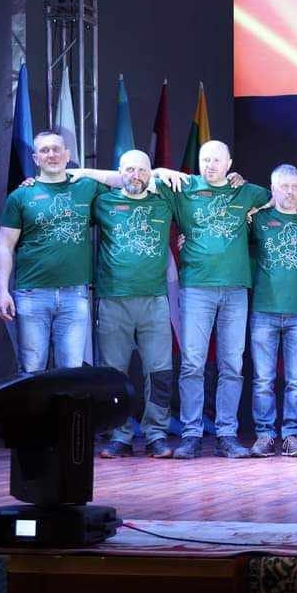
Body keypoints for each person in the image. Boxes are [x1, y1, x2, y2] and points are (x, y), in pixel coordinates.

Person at [158, 140, 279, 459]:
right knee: (192, 364)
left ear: (229, 164)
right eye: (205, 159)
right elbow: (140, 178)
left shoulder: (246, 191)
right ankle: (191, 434)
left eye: (216, 160)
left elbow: (282, 198)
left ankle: (227, 434)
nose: (210, 165)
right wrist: (163, 171)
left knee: (232, 365)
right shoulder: (184, 187)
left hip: (235, 290)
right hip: (196, 288)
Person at [90, 150, 176, 459]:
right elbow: (73, 181)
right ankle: (120, 435)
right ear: (119, 172)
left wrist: (165, 173)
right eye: (129, 170)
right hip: (113, 300)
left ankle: (156, 435)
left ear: (150, 173)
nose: (135, 175)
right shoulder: (102, 202)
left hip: (154, 301)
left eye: (142, 170)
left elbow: (200, 182)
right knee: (114, 374)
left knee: (160, 372)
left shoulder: (164, 202)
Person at [0, 131, 101, 373]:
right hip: (32, 295)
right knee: (32, 370)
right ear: (35, 158)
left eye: (56, 149)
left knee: (71, 372)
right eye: (44, 150)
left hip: (75, 295)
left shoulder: (86, 188)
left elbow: (128, 181)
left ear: (67, 155)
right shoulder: (21, 195)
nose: (51, 154)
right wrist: (2, 291)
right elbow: (4, 246)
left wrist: (85, 172)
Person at [248, 164, 297, 458]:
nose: (290, 192)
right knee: (263, 380)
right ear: (273, 188)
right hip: (264, 310)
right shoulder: (258, 219)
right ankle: (264, 436)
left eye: (295, 187)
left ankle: (292, 435)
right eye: (284, 186)